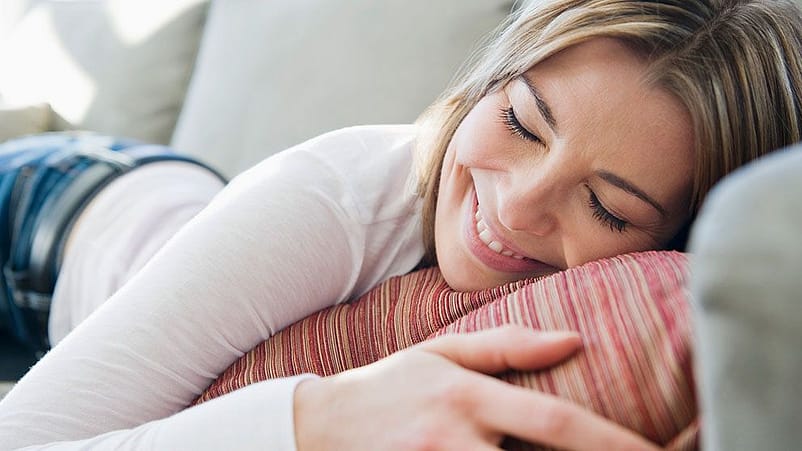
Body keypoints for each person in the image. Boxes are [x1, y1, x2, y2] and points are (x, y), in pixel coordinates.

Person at [0, 0, 801, 449]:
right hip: (50, 217)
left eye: (608, 207)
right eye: (522, 123)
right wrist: (314, 419)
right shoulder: (329, 200)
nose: (518, 206)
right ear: (489, 82)